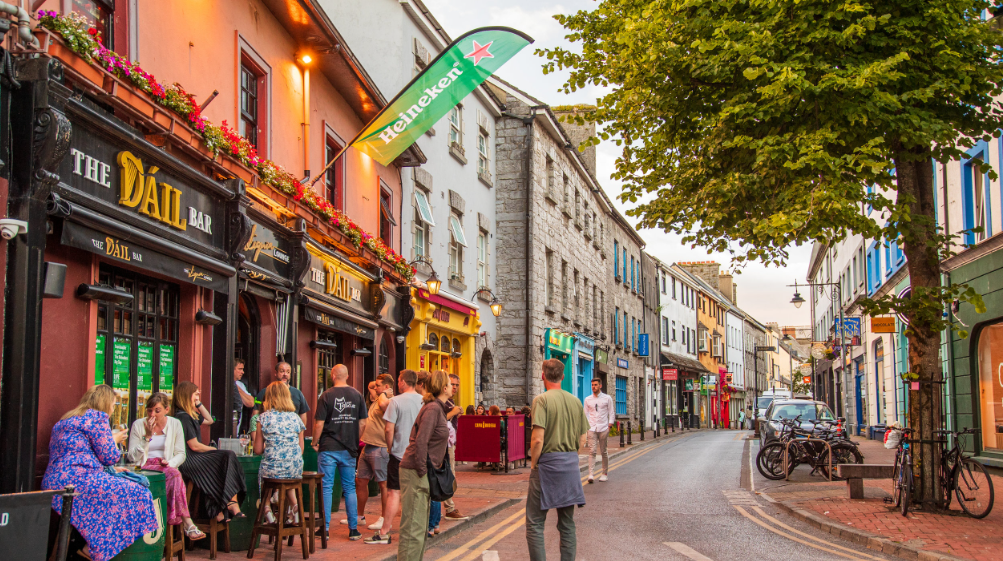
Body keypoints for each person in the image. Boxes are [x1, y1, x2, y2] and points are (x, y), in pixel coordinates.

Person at [42, 385, 159, 561]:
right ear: (105, 404)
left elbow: (78, 454)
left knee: (115, 492)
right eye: (113, 405)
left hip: (53, 482)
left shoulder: (66, 419)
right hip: (77, 481)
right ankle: (93, 549)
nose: (113, 409)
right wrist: (115, 439)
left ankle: (88, 545)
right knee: (139, 492)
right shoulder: (97, 418)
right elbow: (109, 456)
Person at [526, 359, 589, 561]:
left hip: (546, 465)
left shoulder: (541, 400)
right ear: (562, 377)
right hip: (570, 465)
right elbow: (583, 438)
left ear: (543, 375)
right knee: (567, 523)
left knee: (535, 522)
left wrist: (534, 463)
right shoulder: (576, 401)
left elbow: (537, 439)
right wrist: (571, 458)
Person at [128, 392, 206, 540]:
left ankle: (171, 530)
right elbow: (132, 457)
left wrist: (169, 463)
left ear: (166, 410)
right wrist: (147, 437)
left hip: (165, 466)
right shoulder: (139, 425)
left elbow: (181, 453)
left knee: (174, 474)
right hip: (143, 468)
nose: (153, 414)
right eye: (149, 410)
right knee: (175, 476)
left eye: (157, 411)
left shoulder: (175, 424)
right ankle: (187, 524)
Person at [397, 370, 452, 561]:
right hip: (415, 471)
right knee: (413, 527)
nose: (454, 387)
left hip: (421, 471)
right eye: (450, 384)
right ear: (444, 388)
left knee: (420, 528)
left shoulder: (438, 408)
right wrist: (422, 472)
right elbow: (421, 442)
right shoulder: (433, 409)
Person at [174, 381, 247, 521]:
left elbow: (209, 420)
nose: (198, 395)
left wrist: (199, 404)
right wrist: (214, 449)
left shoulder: (191, 415)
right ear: (187, 395)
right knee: (227, 455)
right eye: (195, 394)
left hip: (196, 456)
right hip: (189, 459)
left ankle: (221, 508)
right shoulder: (183, 417)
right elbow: (194, 445)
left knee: (225, 461)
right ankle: (229, 504)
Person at [364, 369, 422, 545]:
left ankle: (384, 532)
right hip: (418, 453)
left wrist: (391, 448)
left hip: (399, 453)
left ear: (404, 382)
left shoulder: (395, 402)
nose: (398, 383)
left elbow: (389, 429)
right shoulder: (424, 401)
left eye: (398, 380)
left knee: (394, 492)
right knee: (417, 492)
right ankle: (416, 531)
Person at [314, 364, 367, 540]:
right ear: (347, 375)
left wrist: (315, 441)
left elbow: (319, 423)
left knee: (327, 488)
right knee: (350, 488)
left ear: (333, 375)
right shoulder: (357, 395)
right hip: (349, 448)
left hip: (328, 447)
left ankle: (325, 529)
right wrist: (354, 439)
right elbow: (363, 423)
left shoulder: (326, 395)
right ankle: (353, 530)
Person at [345, 373, 394, 532]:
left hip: (380, 447)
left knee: (383, 484)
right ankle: (359, 516)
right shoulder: (376, 398)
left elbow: (384, 406)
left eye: (378, 386)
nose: (375, 388)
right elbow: (371, 389)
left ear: (386, 387)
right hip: (367, 446)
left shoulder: (388, 400)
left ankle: (385, 518)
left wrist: (385, 394)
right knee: (360, 480)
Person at [254, 381, 306, 523]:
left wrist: (272, 447)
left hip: (273, 470)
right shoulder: (296, 418)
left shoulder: (264, 418)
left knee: (266, 472)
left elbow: (258, 450)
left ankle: (266, 508)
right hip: (295, 469)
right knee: (286, 473)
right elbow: (301, 449)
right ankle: (295, 507)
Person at [441, 373, 468, 522]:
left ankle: (444, 507)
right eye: (453, 384)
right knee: (449, 474)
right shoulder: (443, 402)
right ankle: (449, 508)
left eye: (457, 385)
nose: (455, 387)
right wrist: (455, 412)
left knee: (447, 474)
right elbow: (440, 419)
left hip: (450, 443)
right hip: (444, 444)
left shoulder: (449, 401)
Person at [582, 377, 615, 483]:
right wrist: (587, 427)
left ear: (600, 386)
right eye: (592, 385)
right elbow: (585, 414)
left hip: (603, 427)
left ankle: (604, 473)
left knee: (604, 451)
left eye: (595, 385)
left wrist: (610, 425)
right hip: (592, 428)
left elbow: (611, 412)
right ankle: (591, 474)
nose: (593, 387)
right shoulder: (588, 399)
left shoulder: (607, 398)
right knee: (592, 451)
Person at [233, 359, 255, 433]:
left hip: (237, 428)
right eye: (240, 369)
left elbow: (251, 403)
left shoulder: (240, 385)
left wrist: (236, 388)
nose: (243, 372)